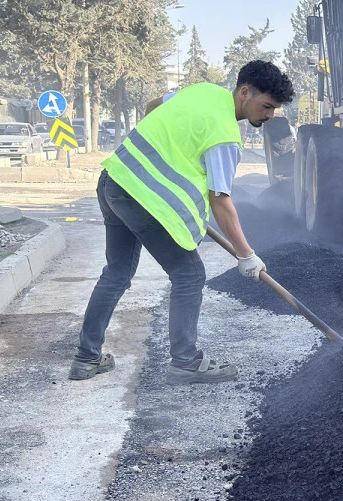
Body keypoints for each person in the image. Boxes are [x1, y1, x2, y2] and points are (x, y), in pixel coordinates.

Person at [69, 60, 295, 385]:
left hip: (114, 180)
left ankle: (86, 358)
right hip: (141, 200)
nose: (271, 115)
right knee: (189, 275)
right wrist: (246, 255)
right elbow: (221, 200)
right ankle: (185, 362)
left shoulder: (202, 92)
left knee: (116, 272)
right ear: (245, 92)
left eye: (275, 109)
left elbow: (152, 106)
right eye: (267, 106)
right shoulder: (225, 137)